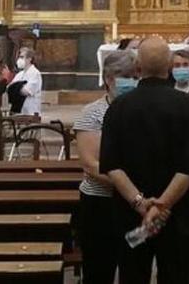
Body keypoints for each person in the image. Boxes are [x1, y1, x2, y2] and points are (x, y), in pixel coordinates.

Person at [100, 38, 189, 284]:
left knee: (132, 276)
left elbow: (111, 164)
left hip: (131, 214)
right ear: (170, 66)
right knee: (177, 276)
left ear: (138, 67)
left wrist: (140, 204)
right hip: (178, 213)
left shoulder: (118, 107)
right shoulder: (188, 106)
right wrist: (162, 206)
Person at [73, 50, 138, 283]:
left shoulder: (142, 110)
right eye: (124, 76)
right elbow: (91, 164)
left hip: (134, 207)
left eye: (133, 76)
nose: (131, 82)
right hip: (101, 203)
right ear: (109, 79)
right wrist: (129, 187)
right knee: (99, 266)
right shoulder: (91, 113)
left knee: (134, 265)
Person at [10, 47, 44, 116]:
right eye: (19, 57)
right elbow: (10, 88)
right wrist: (18, 87)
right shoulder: (19, 74)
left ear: (29, 59)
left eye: (22, 57)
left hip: (31, 111)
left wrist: (17, 88)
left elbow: (26, 91)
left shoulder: (35, 73)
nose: (19, 59)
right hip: (19, 111)